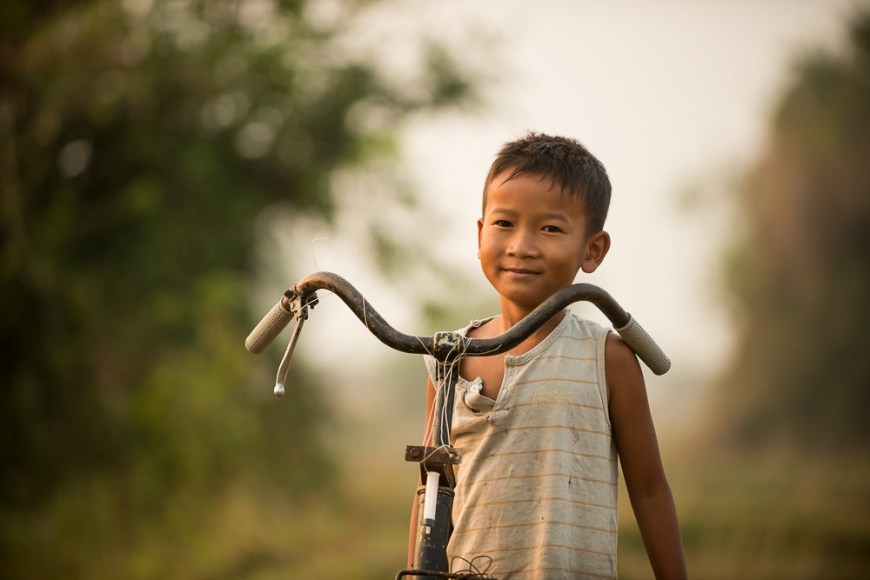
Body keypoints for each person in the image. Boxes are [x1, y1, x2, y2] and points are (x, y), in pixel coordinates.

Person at [407, 132, 687, 579]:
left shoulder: (606, 358)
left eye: (550, 229)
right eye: (504, 223)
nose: (521, 245)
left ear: (592, 250)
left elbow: (650, 491)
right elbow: (432, 490)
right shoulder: (449, 361)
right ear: (480, 234)